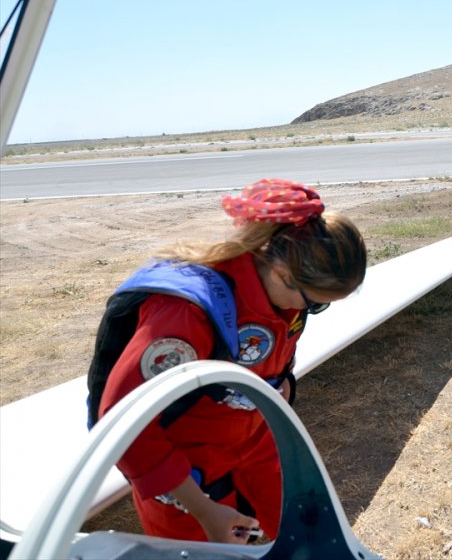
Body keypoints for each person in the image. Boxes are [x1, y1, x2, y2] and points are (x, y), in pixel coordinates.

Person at [88, 178, 367, 544]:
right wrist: (203, 509)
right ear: (282, 271)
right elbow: (124, 424)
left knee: (307, 533)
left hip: (254, 443)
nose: (310, 311)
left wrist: (281, 384)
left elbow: (270, 356)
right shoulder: (186, 313)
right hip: (187, 478)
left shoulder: (278, 295)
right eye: (314, 302)